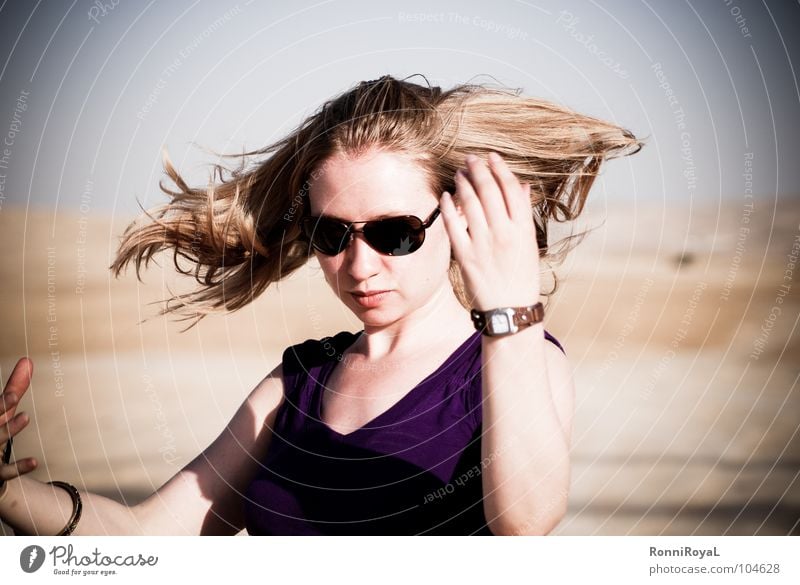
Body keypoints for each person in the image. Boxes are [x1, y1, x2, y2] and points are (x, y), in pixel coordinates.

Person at [0, 75, 641, 535]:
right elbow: (148, 539)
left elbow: (526, 524)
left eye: (395, 233)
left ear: (454, 219)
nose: (360, 267)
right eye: (332, 235)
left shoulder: (514, 362)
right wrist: (8, 491)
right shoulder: (298, 381)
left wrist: (509, 315)